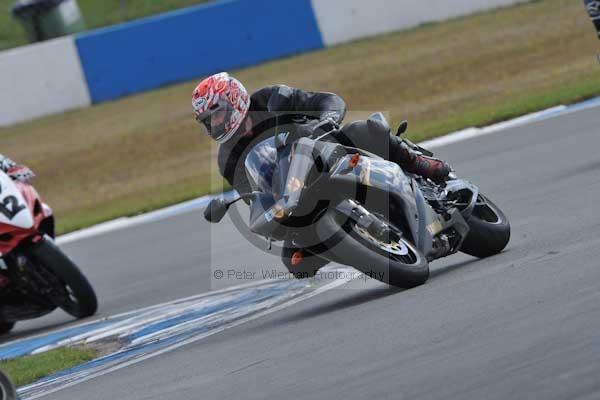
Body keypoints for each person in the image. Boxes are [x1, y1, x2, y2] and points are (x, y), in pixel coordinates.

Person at [192, 72, 452, 277]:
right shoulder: (227, 159)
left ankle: (420, 164)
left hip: (327, 151)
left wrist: (327, 119)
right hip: (294, 190)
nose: (214, 125)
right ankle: (363, 247)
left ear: (235, 100)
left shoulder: (272, 98)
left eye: (217, 115)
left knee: (363, 130)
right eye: (208, 122)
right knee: (295, 262)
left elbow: (326, 101)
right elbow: (253, 195)